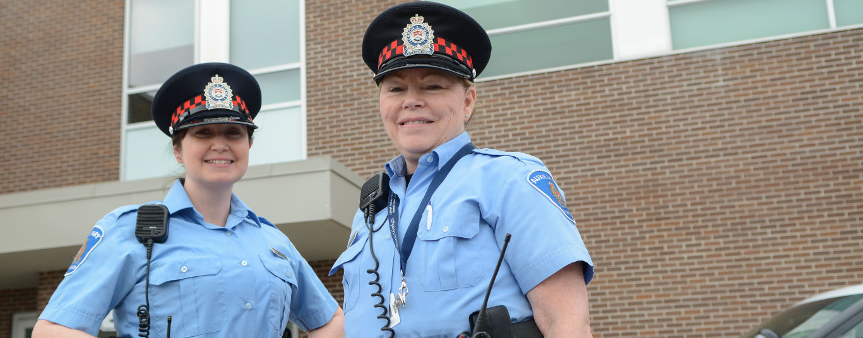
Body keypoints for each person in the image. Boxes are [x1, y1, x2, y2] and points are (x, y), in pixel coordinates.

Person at [330, 2, 594, 338]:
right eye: (395, 88)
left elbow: (566, 322)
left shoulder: (509, 180)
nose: (411, 100)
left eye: (433, 86)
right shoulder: (371, 209)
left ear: (467, 101)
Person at [33, 62, 344, 338]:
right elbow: (54, 329)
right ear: (178, 150)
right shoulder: (130, 232)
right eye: (203, 133)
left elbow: (332, 322)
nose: (220, 144)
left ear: (249, 144)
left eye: (233, 133)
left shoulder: (272, 242)